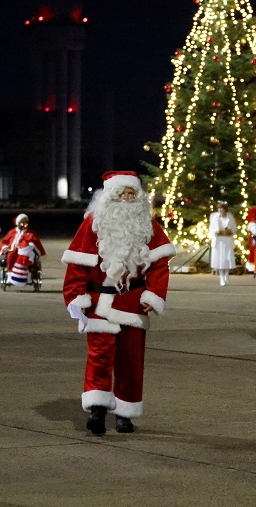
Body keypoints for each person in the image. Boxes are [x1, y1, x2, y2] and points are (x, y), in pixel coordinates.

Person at [61, 171, 175, 435]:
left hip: (134, 303)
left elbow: (159, 266)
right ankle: (98, 410)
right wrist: (77, 295)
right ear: (109, 197)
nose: (127, 200)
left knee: (131, 360)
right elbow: (77, 265)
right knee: (99, 357)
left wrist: (154, 295)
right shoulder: (93, 223)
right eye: (122, 195)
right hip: (100, 302)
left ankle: (125, 413)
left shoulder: (147, 225)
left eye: (131, 195)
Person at [0, 213, 47, 287]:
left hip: (26, 251)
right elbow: (5, 241)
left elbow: (36, 243)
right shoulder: (12, 232)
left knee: (28, 258)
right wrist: (5, 247)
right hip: (13, 250)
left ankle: (28, 275)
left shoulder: (30, 233)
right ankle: (10, 275)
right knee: (10, 256)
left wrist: (30, 246)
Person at [209, 200, 238, 286]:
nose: (221, 211)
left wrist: (230, 231)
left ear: (225, 210)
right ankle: (221, 277)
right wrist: (216, 232)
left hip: (227, 240)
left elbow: (234, 228)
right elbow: (211, 229)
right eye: (219, 209)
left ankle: (226, 275)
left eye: (222, 209)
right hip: (218, 241)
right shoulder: (215, 218)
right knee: (219, 259)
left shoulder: (230, 218)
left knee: (227, 258)